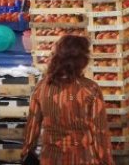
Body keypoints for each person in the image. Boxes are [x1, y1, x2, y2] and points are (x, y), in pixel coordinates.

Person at [21, 35, 113, 164]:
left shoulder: (42, 87)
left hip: (50, 158)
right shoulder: (90, 90)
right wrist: (107, 161)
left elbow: (32, 128)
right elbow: (99, 133)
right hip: (83, 159)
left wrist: (26, 152)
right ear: (82, 61)